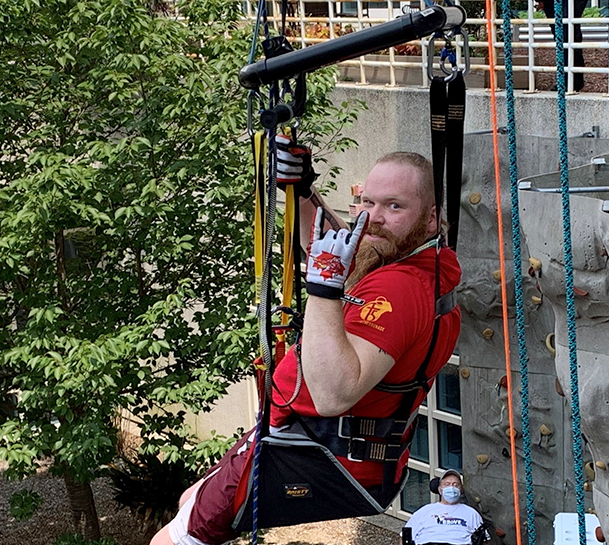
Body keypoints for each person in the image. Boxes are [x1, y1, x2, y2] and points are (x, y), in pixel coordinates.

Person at [151, 148, 462, 545]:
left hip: (322, 452)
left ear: (432, 216)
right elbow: (344, 241)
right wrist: (302, 191)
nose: (373, 217)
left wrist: (323, 286)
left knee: (171, 541)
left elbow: (333, 395)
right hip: (332, 446)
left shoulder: (398, 289)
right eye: (367, 201)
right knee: (190, 500)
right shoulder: (421, 260)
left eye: (394, 206)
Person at [401, 470, 483, 545]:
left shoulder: (472, 513)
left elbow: (484, 540)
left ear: (461, 490)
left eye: (455, 485)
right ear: (440, 490)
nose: (451, 487)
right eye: (447, 484)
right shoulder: (424, 511)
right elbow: (404, 537)